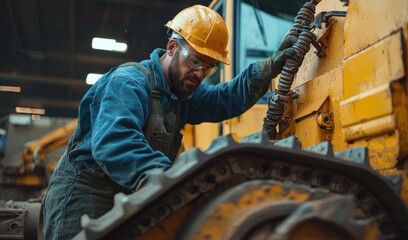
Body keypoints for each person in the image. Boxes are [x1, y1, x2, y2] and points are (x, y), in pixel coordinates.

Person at [42, 4, 296, 239]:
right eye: (195, 60)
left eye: (208, 67)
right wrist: (175, 179)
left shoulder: (181, 94)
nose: (199, 73)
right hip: (85, 191)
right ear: (172, 48)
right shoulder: (129, 83)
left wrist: (267, 69)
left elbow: (223, 99)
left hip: (126, 192)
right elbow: (115, 143)